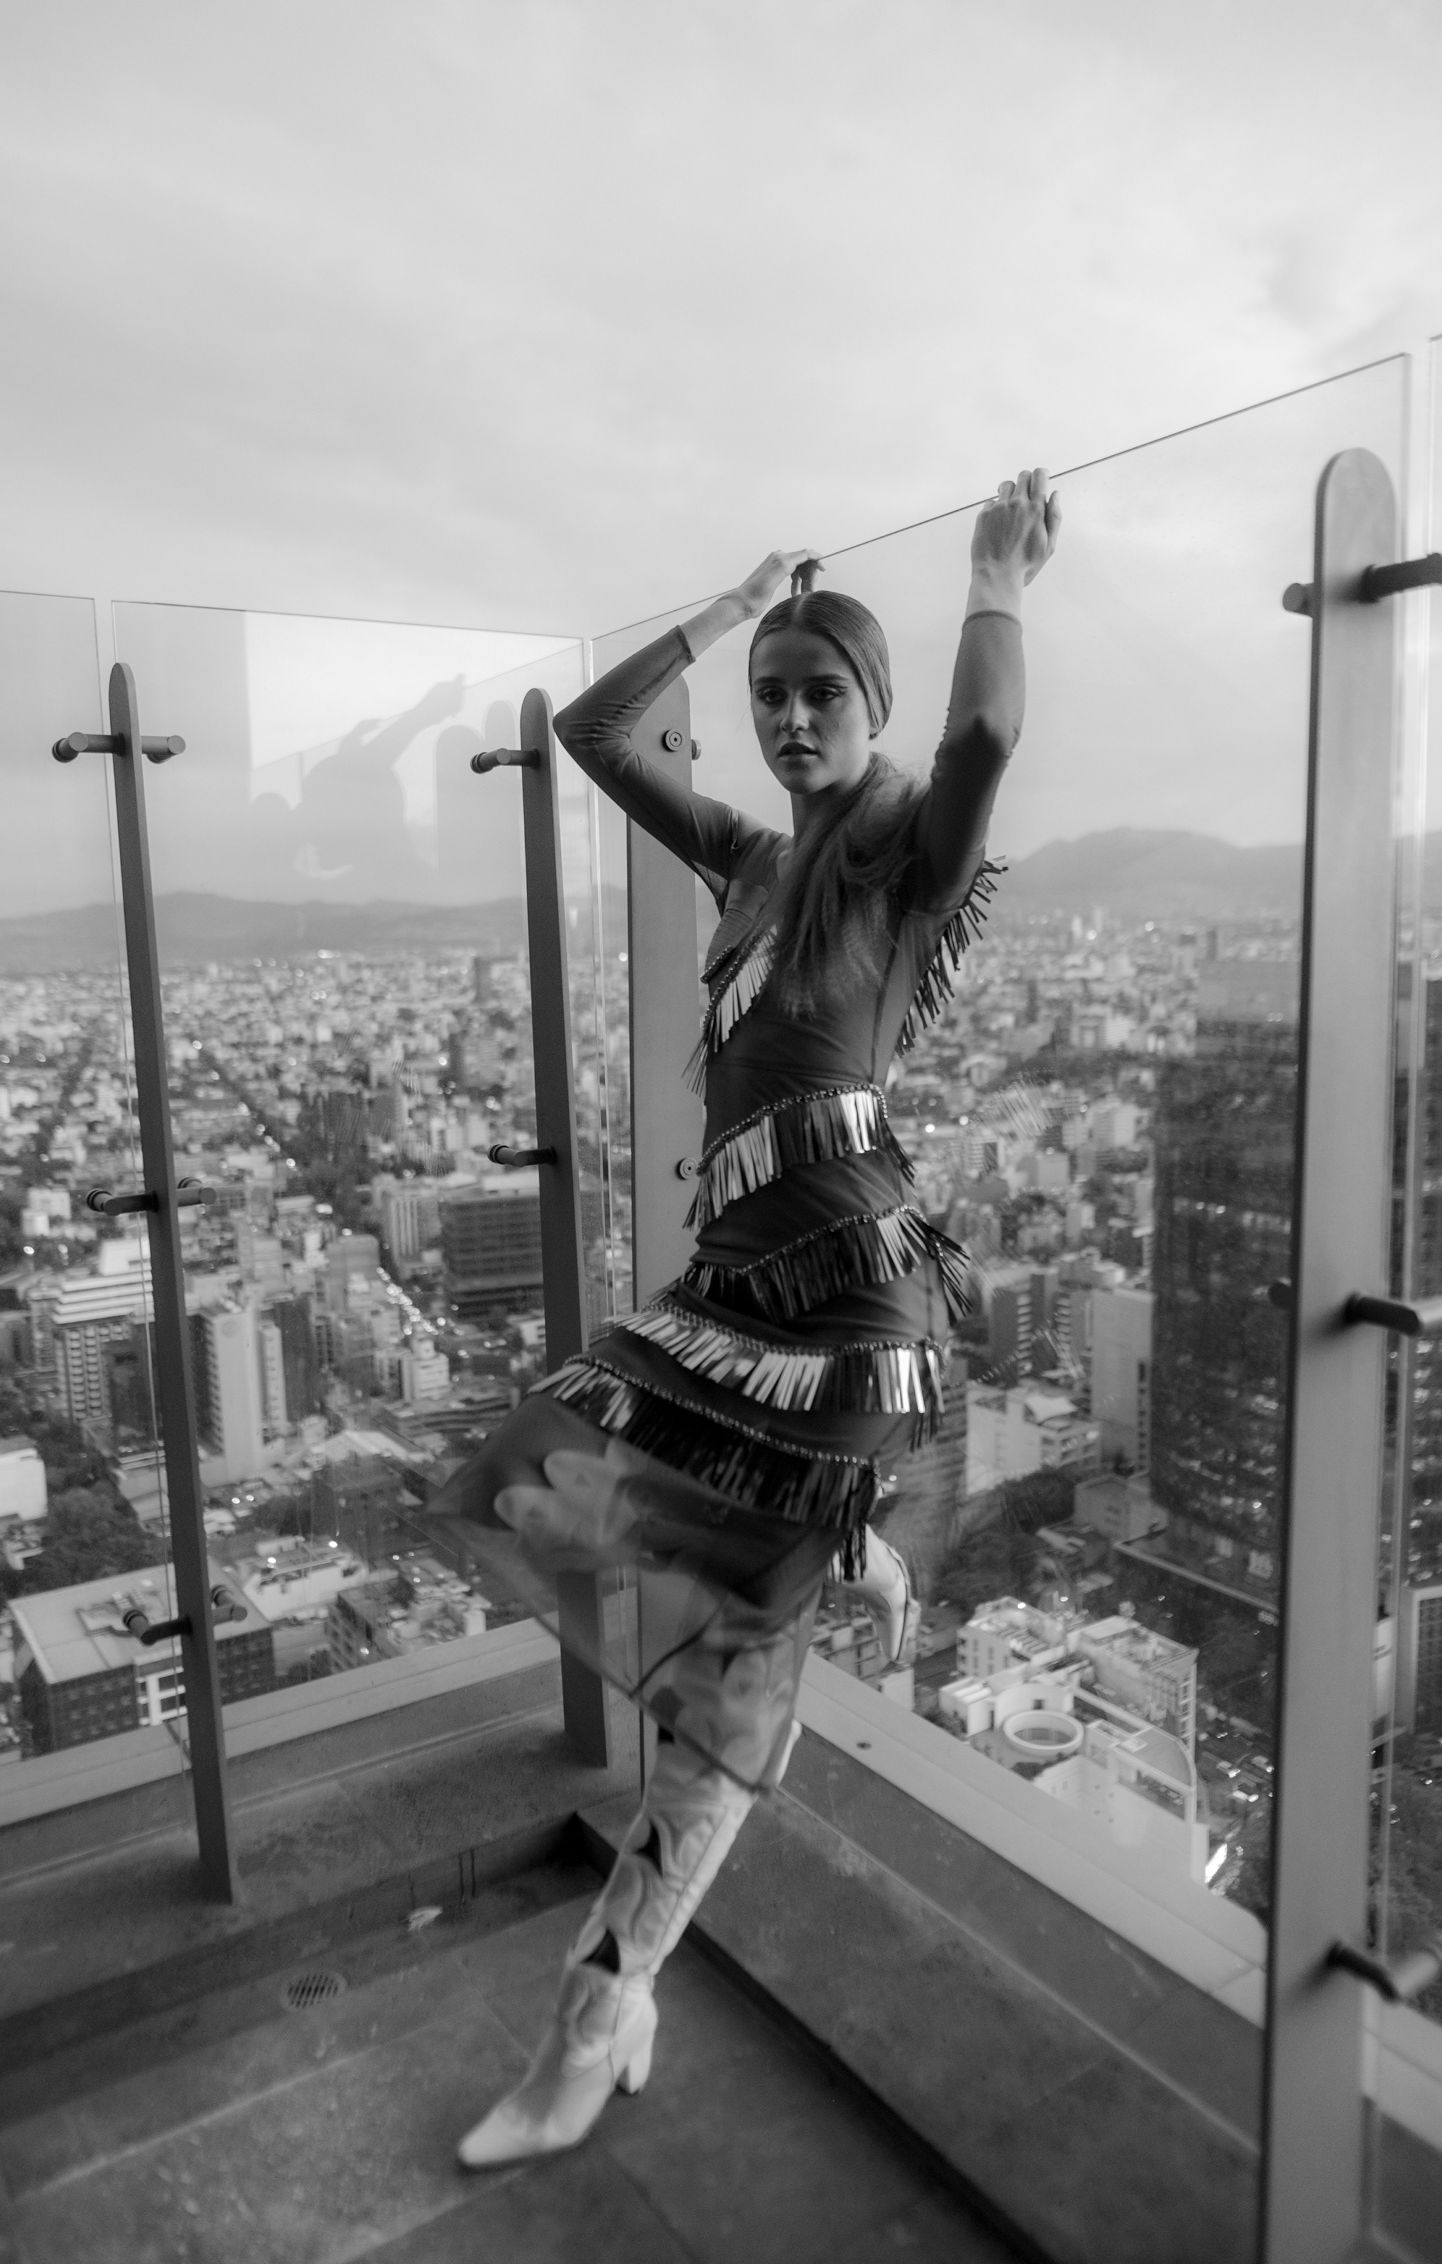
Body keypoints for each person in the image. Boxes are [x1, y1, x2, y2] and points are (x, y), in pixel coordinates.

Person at [449, 467, 1061, 2167]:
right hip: (729, 1306)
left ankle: (594, 2018)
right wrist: (731, 607)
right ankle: (851, 1554)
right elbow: (595, 732)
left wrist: (996, 583)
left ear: (874, 708)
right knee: (541, 1479)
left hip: (851, 1316)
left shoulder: (897, 860)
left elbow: (986, 741)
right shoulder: (746, 859)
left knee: (724, 1681)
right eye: (771, 695)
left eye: (824, 693)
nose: (792, 719)